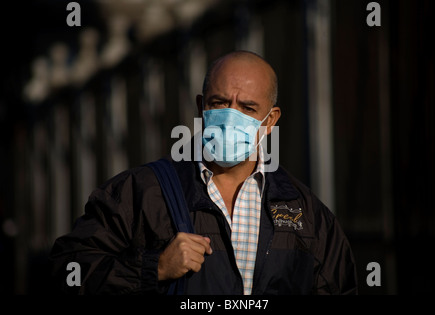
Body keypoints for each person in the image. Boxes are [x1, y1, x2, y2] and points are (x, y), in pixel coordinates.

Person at [49, 50, 358, 295]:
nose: (230, 117)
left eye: (248, 108)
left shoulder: (307, 214)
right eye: (220, 102)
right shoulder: (140, 193)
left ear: (270, 120)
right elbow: (68, 271)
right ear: (201, 107)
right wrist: (153, 268)